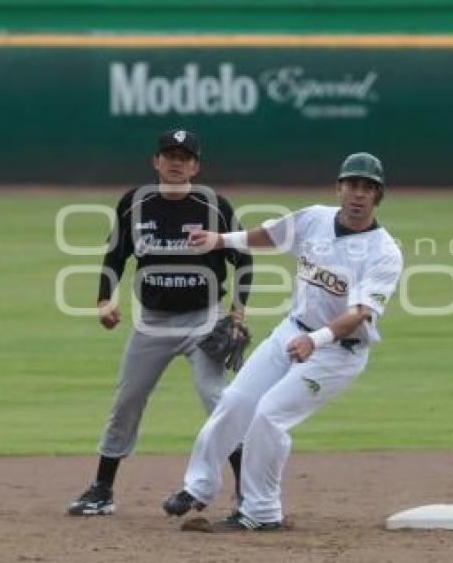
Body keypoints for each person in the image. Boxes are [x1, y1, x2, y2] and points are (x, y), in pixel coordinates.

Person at [161, 152, 403, 531]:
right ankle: (198, 487)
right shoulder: (316, 218)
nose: (359, 194)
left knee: (269, 416)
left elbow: (360, 313)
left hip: (337, 352)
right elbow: (271, 234)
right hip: (292, 330)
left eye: (368, 188)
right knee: (236, 400)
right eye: (352, 185)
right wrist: (219, 240)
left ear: (378, 196)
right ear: (340, 187)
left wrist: (316, 339)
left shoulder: (384, 251)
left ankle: (260, 513)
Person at [67, 129, 252, 516]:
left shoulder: (214, 205)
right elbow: (115, 255)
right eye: (169, 154)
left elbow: (244, 259)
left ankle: (247, 493)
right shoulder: (134, 203)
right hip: (152, 322)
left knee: (218, 400)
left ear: (196, 166)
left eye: (184, 157)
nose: (176, 162)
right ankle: (102, 489)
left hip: (204, 319)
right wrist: (104, 299)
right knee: (127, 400)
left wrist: (237, 312)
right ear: (156, 161)